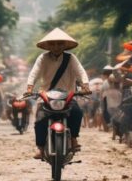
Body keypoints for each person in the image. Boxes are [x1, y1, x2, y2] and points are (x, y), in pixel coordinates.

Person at [26, 28, 89, 159]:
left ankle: (73, 138)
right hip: (47, 95)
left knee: (77, 112)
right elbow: (34, 73)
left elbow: (81, 72)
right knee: (40, 119)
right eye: (53, 44)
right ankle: (41, 148)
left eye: (59, 43)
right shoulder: (42, 58)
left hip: (68, 95)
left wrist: (86, 85)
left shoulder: (71, 58)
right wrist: (29, 88)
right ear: (48, 46)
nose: (56, 47)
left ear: (64, 45)